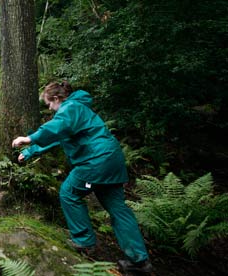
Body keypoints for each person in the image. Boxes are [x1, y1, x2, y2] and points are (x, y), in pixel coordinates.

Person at [11, 81, 152, 273]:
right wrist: (30, 151)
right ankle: (139, 261)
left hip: (96, 161)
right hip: (112, 160)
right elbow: (61, 136)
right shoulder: (78, 109)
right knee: (118, 208)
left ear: (56, 98)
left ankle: (84, 242)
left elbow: (57, 127)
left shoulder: (71, 107)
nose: (50, 109)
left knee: (69, 193)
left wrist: (29, 138)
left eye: (49, 105)